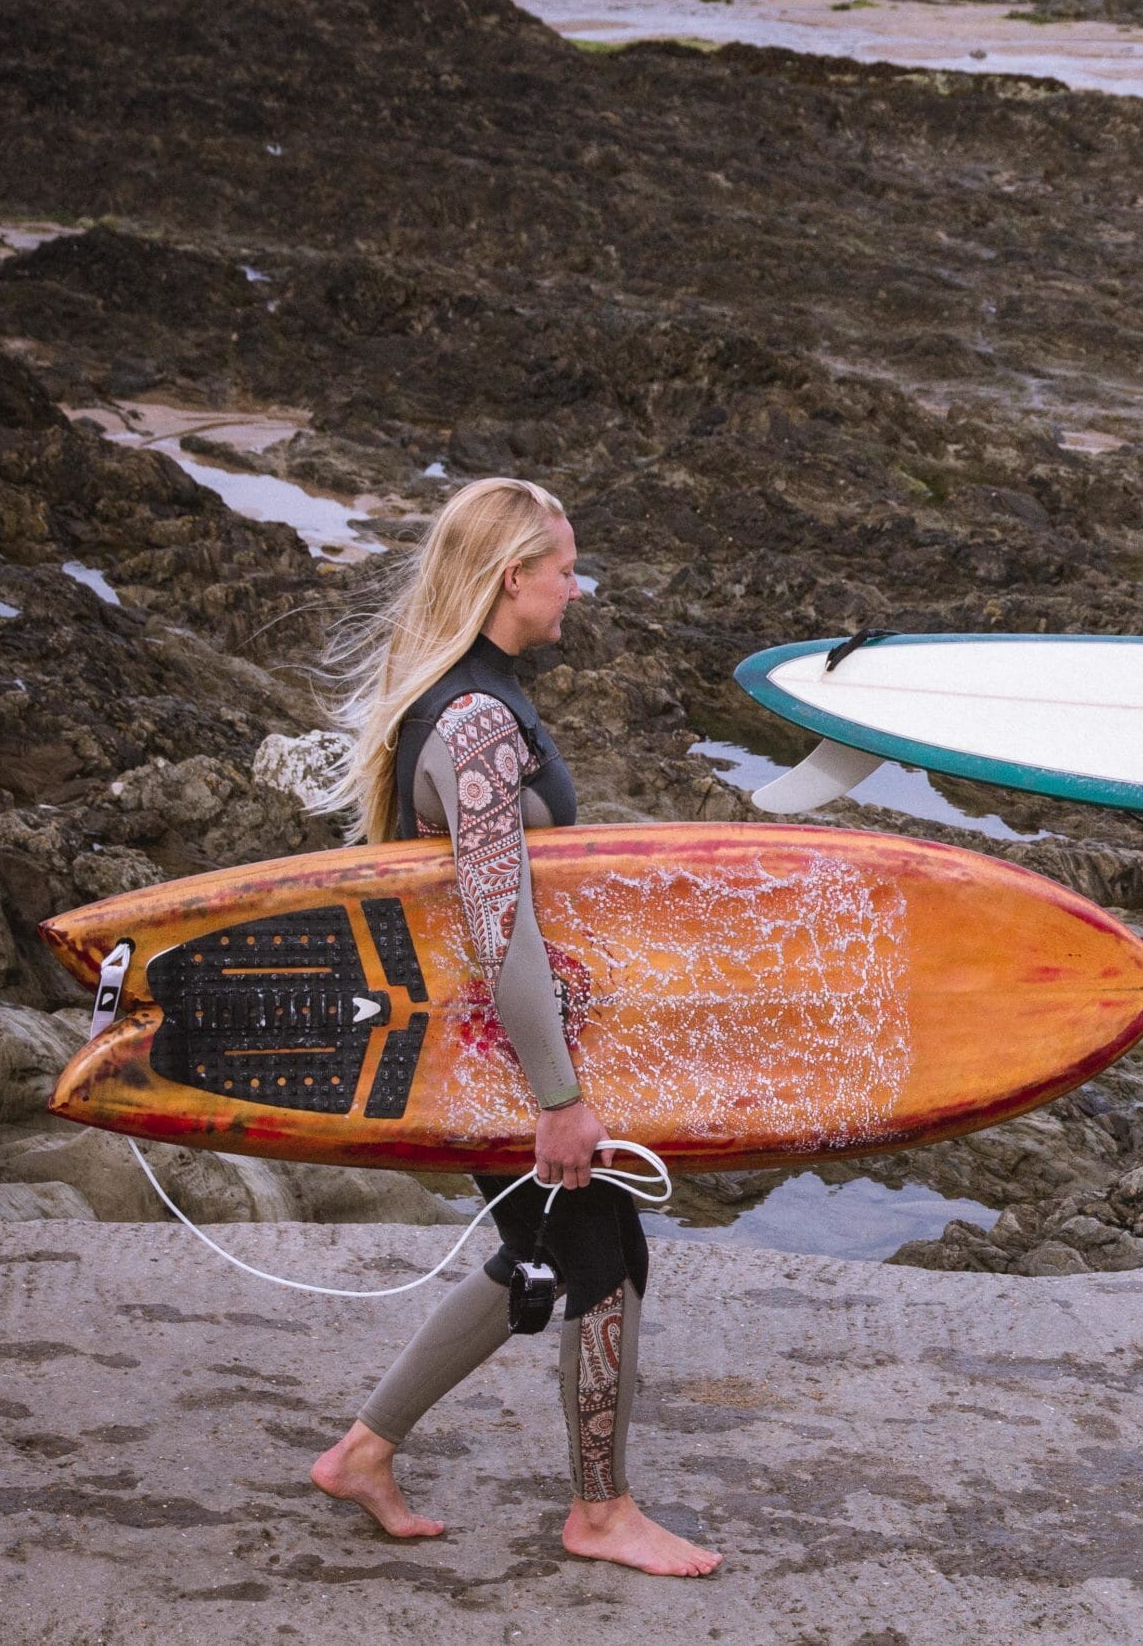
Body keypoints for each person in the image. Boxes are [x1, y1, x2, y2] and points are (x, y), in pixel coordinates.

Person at [304, 477, 720, 1577]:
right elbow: (502, 929)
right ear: (510, 577)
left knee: (538, 1252)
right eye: (562, 568)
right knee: (606, 1260)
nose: (574, 588)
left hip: (477, 1049)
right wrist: (558, 1094)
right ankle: (600, 1510)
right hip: (498, 1054)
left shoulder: (454, 695)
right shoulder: (477, 725)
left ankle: (363, 1451)